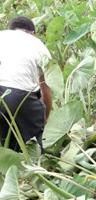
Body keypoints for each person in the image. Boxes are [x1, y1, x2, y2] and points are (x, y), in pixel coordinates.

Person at [0, 16, 52, 152]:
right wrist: (45, 118)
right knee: (33, 147)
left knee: (4, 142)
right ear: (33, 33)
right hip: (19, 96)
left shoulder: (2, 36)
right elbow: (45, 88)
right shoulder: (37, 44)